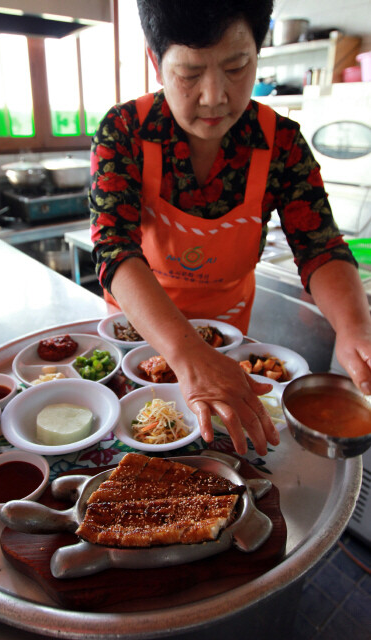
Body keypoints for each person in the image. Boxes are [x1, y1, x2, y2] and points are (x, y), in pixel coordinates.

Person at [89, 0, 371, 457]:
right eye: (190, 73)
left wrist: (357, 327)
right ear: (155, 62)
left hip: (228, 340)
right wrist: (185, 356)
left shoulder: (282, 143)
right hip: (138, 343)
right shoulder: (125, 131)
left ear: (258, 52)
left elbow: (319, 247)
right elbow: (113, 249)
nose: (215, 96)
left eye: (237, 66)